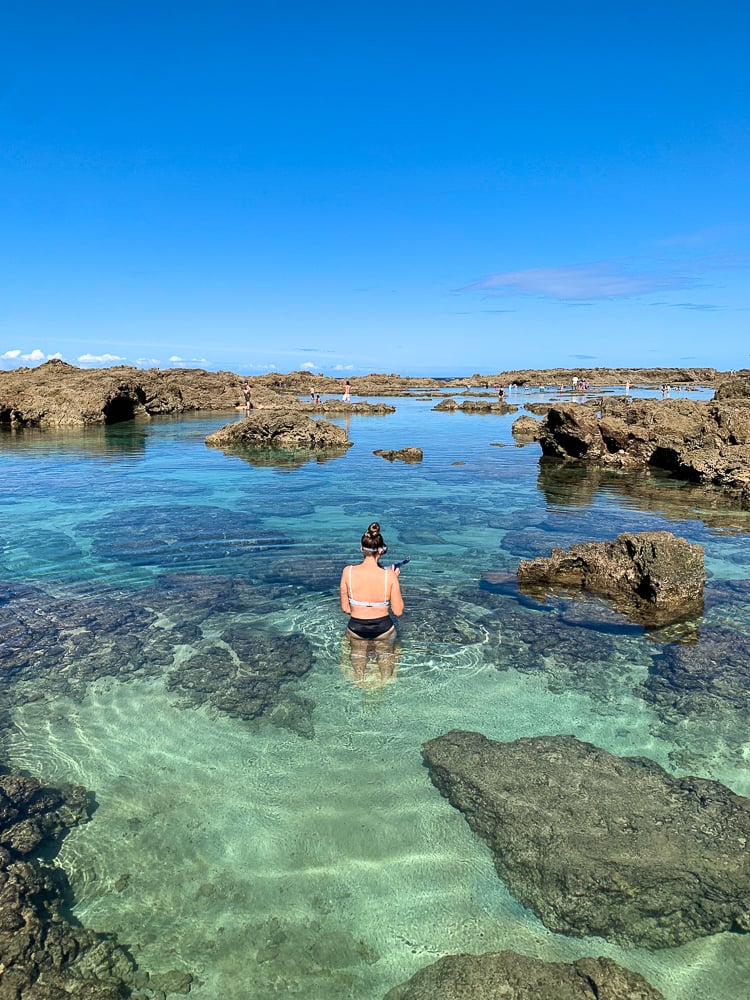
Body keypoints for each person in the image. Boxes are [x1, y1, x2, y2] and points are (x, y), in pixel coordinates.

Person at [339, 521, 404, 641]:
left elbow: (345, 609)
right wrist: (393, 579)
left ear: (362, 550)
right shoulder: (389, 575)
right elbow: (398, 611)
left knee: (357, 659)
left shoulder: (347, 572)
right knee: (388, 658)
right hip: (383, 628)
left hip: (356, 627)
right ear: (381, 551)